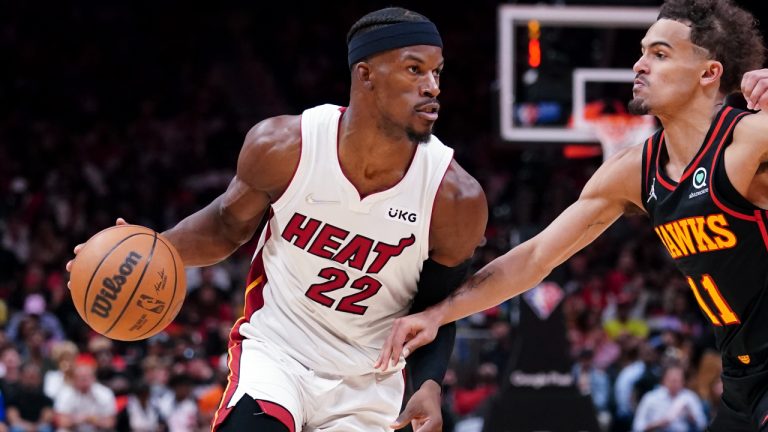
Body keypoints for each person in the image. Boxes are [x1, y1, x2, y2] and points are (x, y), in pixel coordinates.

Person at [66, 6, 486, 432]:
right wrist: (146, 250)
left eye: (437, 72)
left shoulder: (454, 198)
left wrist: (429, 383)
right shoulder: (285, 147)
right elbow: (226, 226)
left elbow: (438, 307)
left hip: (370, 380)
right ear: (366, 75)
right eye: (415, 69)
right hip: (279, 352)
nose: (431, 86)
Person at [378, 1, 768, 430]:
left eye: (660, 54)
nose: (639, 65)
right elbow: (537, 257)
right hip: (740, 377)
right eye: (641, 52)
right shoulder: (633, 170)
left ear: (709, 73)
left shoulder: (748, 140)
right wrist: (438, 315)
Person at [632, 364, 707, 432]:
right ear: (663, 380)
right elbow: (637, 427)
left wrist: (692, 418)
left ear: (683, 381)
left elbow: (703, 424)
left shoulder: (690, 397)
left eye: (678, 380)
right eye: (671, 380)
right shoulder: (650, 398)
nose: (674, 383)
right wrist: (657, 424)